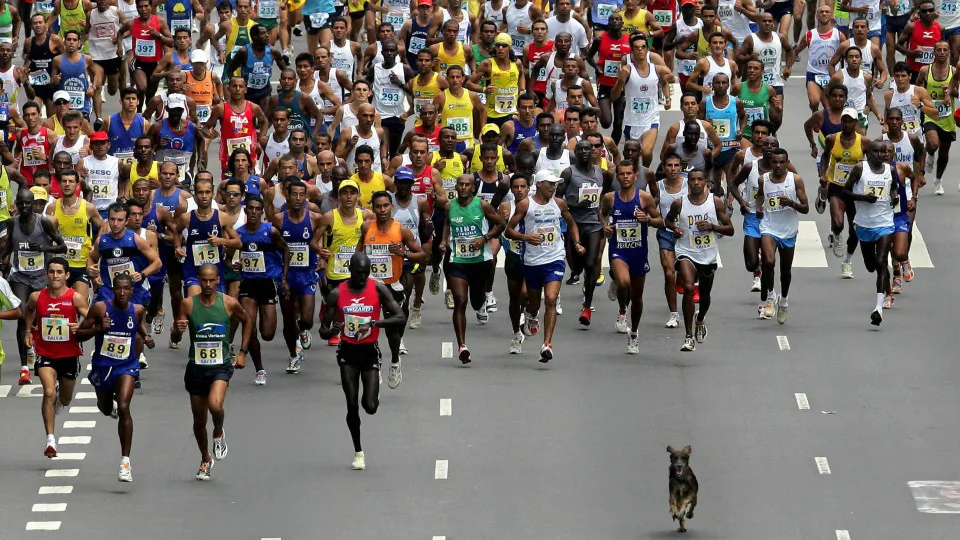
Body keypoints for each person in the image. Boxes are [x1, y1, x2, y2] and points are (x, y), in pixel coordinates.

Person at [317, 252, 405, 471]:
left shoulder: (377, 289)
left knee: (370, 406)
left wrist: (374, 324)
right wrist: (333, 330)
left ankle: (377, 383)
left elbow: (400, 316)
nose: (363, 277)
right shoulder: (337, 294)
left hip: (369, 351)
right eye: (359, 273)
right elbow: (322, 331)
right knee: (352, 404)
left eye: (366, 273)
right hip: (347, 352)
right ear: (350, 270)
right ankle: (358, 452)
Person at [175, 263, 251, 481]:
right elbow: (176, 335)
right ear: (198, 280)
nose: (207, 284)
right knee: (199, 421)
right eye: (204, 280)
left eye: (212, 280)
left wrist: (243, 352)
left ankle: (218, 431)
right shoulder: (188, 304)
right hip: (196, 367)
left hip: (220, 366)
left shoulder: (228, 303)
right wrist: (176, 331)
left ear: (218, 280)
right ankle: (206, 459)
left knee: (215, 405)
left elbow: (247, 322)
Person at [75, 274, 151, 482]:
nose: (123, 292)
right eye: (119, 288)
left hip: (126, 365)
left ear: (132, 291)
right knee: (105, 407)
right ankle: (110, 405)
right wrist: (99, 329)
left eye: (127, 289)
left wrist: (147, 338)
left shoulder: (137, 310)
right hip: (103, 366)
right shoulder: (100, 308)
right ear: (114, 289)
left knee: (125, 406)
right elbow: (79, 334)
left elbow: (139, 327)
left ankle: (125, 461)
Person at [505, 169, 582, 362]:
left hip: (555, 258)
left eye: (555, 183)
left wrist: (577, 242)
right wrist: (526, 238)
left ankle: (547, 344)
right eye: (550, 183)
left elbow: (571, 224)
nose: (554, 187)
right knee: (532, 302)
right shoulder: (525, 205)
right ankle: (531, 314)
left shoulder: (559, 204)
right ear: (539, 184)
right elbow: (509, 231)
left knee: (550, 298)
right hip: (532, 260)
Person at [357, 188, 428, 387]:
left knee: (391, 329)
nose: (382, 210)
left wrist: (403, 254)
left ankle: (395, 360)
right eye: (378, 206)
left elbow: (422, 255)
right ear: (373, 208)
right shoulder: (366, 227)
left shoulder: (401, 230)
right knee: (368, 325)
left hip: (392, 285)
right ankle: (375, 361)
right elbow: (359, 250)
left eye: (385, 206)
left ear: (391, 207)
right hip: (370, 285)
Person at [665, 168, 735, 352]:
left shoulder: (715, 202)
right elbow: (668, 221)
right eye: (693, 180)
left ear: (706, 183)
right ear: (688, 182)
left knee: (704, 297)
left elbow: (730, 229)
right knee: (688, 287)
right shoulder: (679, 204)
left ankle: (700, 318)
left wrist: (712, 226)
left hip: (707, 254)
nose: (696, 183)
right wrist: (675, 229)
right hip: (685, 251)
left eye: (700, 180)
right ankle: (688, 336)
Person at [23, 257, 87, 457]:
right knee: (49, 392)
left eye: (59, 272)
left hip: (69, 354)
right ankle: (50, 440)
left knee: (65, 398)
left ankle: (60, 401)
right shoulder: (37, 296)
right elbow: (29, 310)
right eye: (51, 271)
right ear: (46, 274)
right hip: (45, 353)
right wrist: (28, 330)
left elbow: (90, 317)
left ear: (67, 275)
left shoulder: (74, 297)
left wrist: (82, 326)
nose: (55, 275)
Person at [2, 189, 66, 386]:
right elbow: (9, 247)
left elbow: (62, 247)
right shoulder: (13, 222)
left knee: (39, 317)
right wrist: (2, 261)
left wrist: (44, 248)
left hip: (41, 277)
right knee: (22, 314)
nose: (24, 207)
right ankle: (24, 369)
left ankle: (37, 349)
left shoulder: (43, 222)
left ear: (34, 204)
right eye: (20, 204)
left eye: (28, 204)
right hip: (20, 276)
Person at [440, 174, 505, 363]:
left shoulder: (482, 205)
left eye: (467, 185)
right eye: (460, 184)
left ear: (472, 187)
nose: (463, 188)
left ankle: (481, 303)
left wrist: (485, 238)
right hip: (457, 261)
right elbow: (447, 222)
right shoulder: (449, 206)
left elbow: (500, 223)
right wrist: (444, 241)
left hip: (479, 262)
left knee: (476, 301)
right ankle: (462, 346)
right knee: (460, 300)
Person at [600, 161, 663, 353]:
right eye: (622, 174)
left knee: (637, 297)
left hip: (638, 251)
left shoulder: (644, 198)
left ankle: (634, 333)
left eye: (629, 173)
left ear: (636, 176)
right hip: (619, 249)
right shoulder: (610, 198)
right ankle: (621, 311)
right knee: (623, 281)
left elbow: (660, 221)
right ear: (617, 177)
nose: (625, 177)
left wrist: (649, 220)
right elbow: (602, 215)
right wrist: (605, 227)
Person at [843, 140, 901, 327]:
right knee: (870, 265)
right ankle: (879, 280)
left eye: (882, 151)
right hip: (864, 224)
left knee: (882, 261)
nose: (880, 154)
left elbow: (893, 188)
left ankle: (878, 308)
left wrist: (894, 197)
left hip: (885, 222)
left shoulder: (890, 170)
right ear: (867, 154)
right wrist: (863, 198)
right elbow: (845, 192)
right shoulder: (860, 169)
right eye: (875, 151)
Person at [235, 194, 289, 385]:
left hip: (268, 283)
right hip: (248, 283)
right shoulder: (239, 233)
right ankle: (259, 369)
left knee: (267, 333)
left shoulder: (270, 231)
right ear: (246, 210)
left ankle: (258, 363)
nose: (254, 213)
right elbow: (230, 256)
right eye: (251, 209)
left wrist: (283, 277)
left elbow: (286, 250)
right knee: (250, 326)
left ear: (262, 212)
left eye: (258, 209)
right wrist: (235, 264)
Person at [557, 138, 613, 326]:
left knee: (591, 264)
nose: (583, 152)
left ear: (593, 152)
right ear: (576, 152)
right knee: (577, 266)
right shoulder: (569, 172)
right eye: (580, 149)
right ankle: (578, 273)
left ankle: (587, 307)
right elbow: (556, 199)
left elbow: (605, 196)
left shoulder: (601, 173)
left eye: (587, 149)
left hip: (594, 225)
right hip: (573, 224)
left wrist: (603, 215)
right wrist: (575, 204)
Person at [272, 178, 323, 372]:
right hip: (286, 275)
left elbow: (324, 231)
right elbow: (272, 242)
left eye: (302, 195)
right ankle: (293, 355)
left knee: (307, 319)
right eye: (294, 194)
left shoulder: (314, 218)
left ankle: (302, 330)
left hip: (307, 274)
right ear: (287, 195)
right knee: (287, 318)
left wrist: (322, 254)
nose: (298, 198)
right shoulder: (278, 219)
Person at [754, 148, 809, 324]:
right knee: (768, 262)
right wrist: (758, 208)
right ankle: (770, 296)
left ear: (787, 162)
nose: (778, 165)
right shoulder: (763, 180)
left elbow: (806, 207)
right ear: (770, 163)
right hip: (769, 227)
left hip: (788, 230)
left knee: (785, 271)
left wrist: (791, 203)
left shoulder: (796, 180)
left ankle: (783, 300)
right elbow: (760, 196)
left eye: (781, 162)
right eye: (775, 162)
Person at [819, 107, 867, 279]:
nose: (847, 124)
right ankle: (836, 234)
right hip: (837, 186)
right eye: (844, 120)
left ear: (855, 123)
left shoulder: (864, 142)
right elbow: (825, 157)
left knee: (856, 232)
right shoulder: (833, 139)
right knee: (838, 223)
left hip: (855, 190)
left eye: (850, 121)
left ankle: (847, 261)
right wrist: (823, 175)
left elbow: (872, 162)